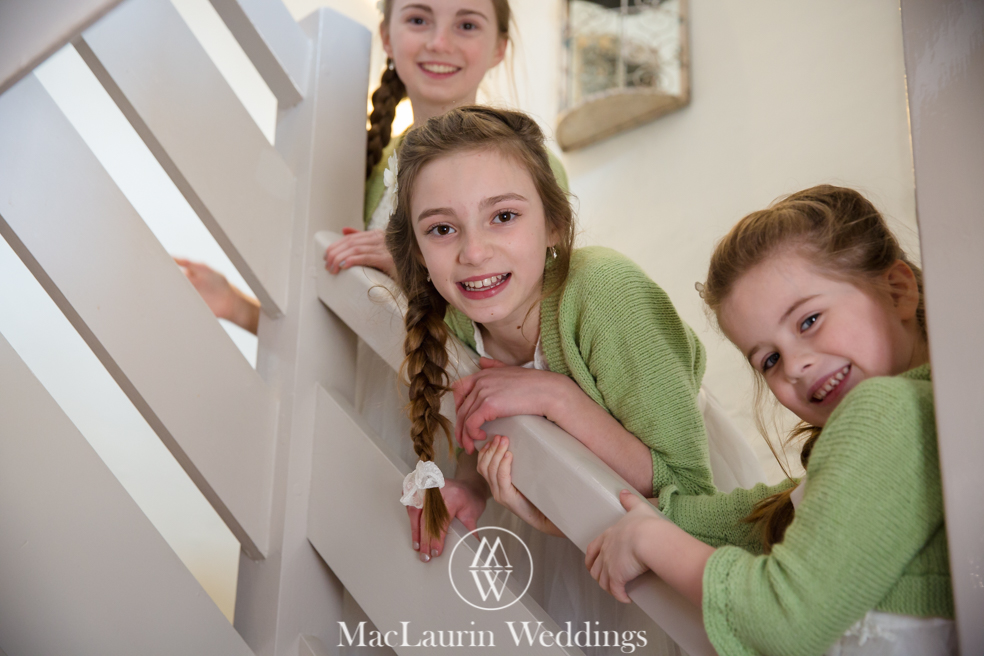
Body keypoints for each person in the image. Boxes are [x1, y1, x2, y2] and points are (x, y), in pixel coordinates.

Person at [585, 185, 954, 656]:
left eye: (808, 320)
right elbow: (772, 513)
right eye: (769, 359)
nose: (795, 364)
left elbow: (784, 619)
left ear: (896, 290)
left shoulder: (885, 409)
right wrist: (656, 512)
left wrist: (649, 539)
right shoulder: (926, 410)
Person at [385, 105, 730, 555]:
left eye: (503, 216)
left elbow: (686, 489)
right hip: (566, 513)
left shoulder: (608, 295)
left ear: (554, 224)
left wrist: (556, 396)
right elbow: (487, 416)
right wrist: (473, 487)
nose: (473, 252)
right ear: (416, 252)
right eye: (443, 228)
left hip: (680, 532)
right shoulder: (453, 315)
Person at [176, 0, 568, 330]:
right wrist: (235, 306)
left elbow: (527, 335)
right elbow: (335, 341)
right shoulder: (373, 165)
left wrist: (409, 273)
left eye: (466, 24)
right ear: (387, 37)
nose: (439, 42)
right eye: (418, 19)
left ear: (499, 47)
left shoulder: (527, 169)